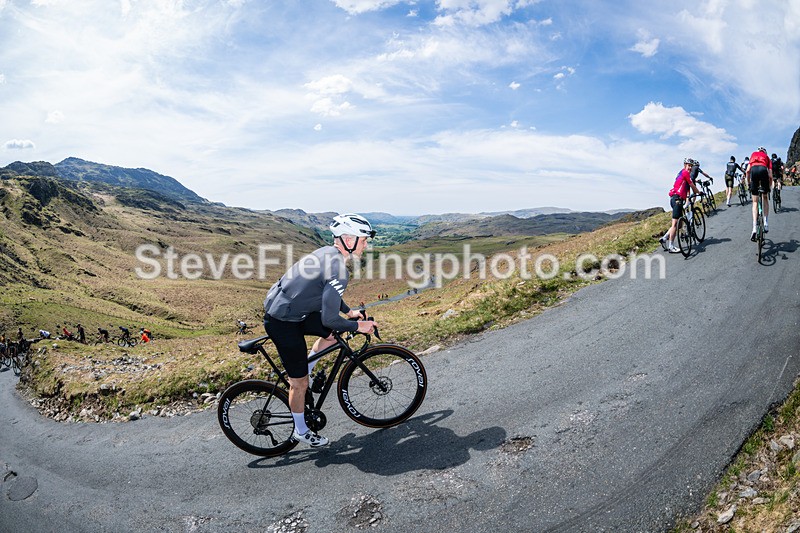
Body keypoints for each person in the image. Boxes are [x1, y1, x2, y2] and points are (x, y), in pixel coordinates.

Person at [262, 213, 377, 447]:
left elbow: (328, 293)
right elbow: (330, 318)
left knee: (332, 336)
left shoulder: (327, 252)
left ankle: (308, 369)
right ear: (349, 239)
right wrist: (359, 325)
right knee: (299, 384)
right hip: (282, 322)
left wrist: (349, 312)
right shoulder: (339, 269)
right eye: (364, 240)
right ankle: (301, 431)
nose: (366, 245)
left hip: (292, 310)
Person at [660, 158, 702, 253]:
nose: (690, 168)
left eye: (691, 166)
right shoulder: (685, 173)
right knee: (675, 224)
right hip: (677, 199)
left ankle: (664, 238)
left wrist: (687, 200)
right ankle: (671, 246)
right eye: (689, 165)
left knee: (679, 224)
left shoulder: (681, 173)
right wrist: (699, 193)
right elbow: (692, 185)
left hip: (676, 199)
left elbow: (687, 189)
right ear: (684, 165)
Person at [746, 147, 773, 240]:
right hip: (763, 170)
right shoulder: (767, 157)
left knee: (755, 202)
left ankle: (754, 228)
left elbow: (747, 171)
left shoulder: (753, 155)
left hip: (753, 170)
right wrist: (769, 187)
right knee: (765, 197)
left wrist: (748, 183)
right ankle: (766, 223)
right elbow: (770, 175)